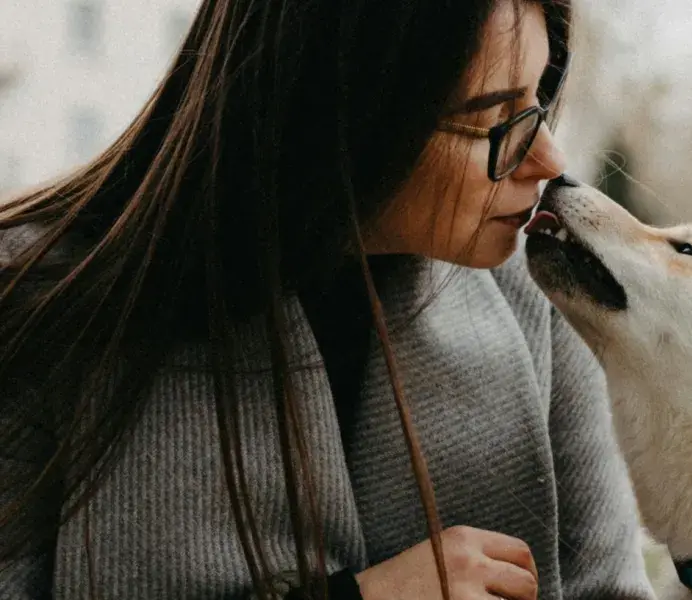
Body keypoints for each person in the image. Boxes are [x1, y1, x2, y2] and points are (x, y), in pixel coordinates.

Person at [0, 0, 656, 598]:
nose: (546, 157)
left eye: (537, 98)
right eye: (492, 119)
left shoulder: (538, 301)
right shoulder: (38, 295)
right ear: (345, 119)